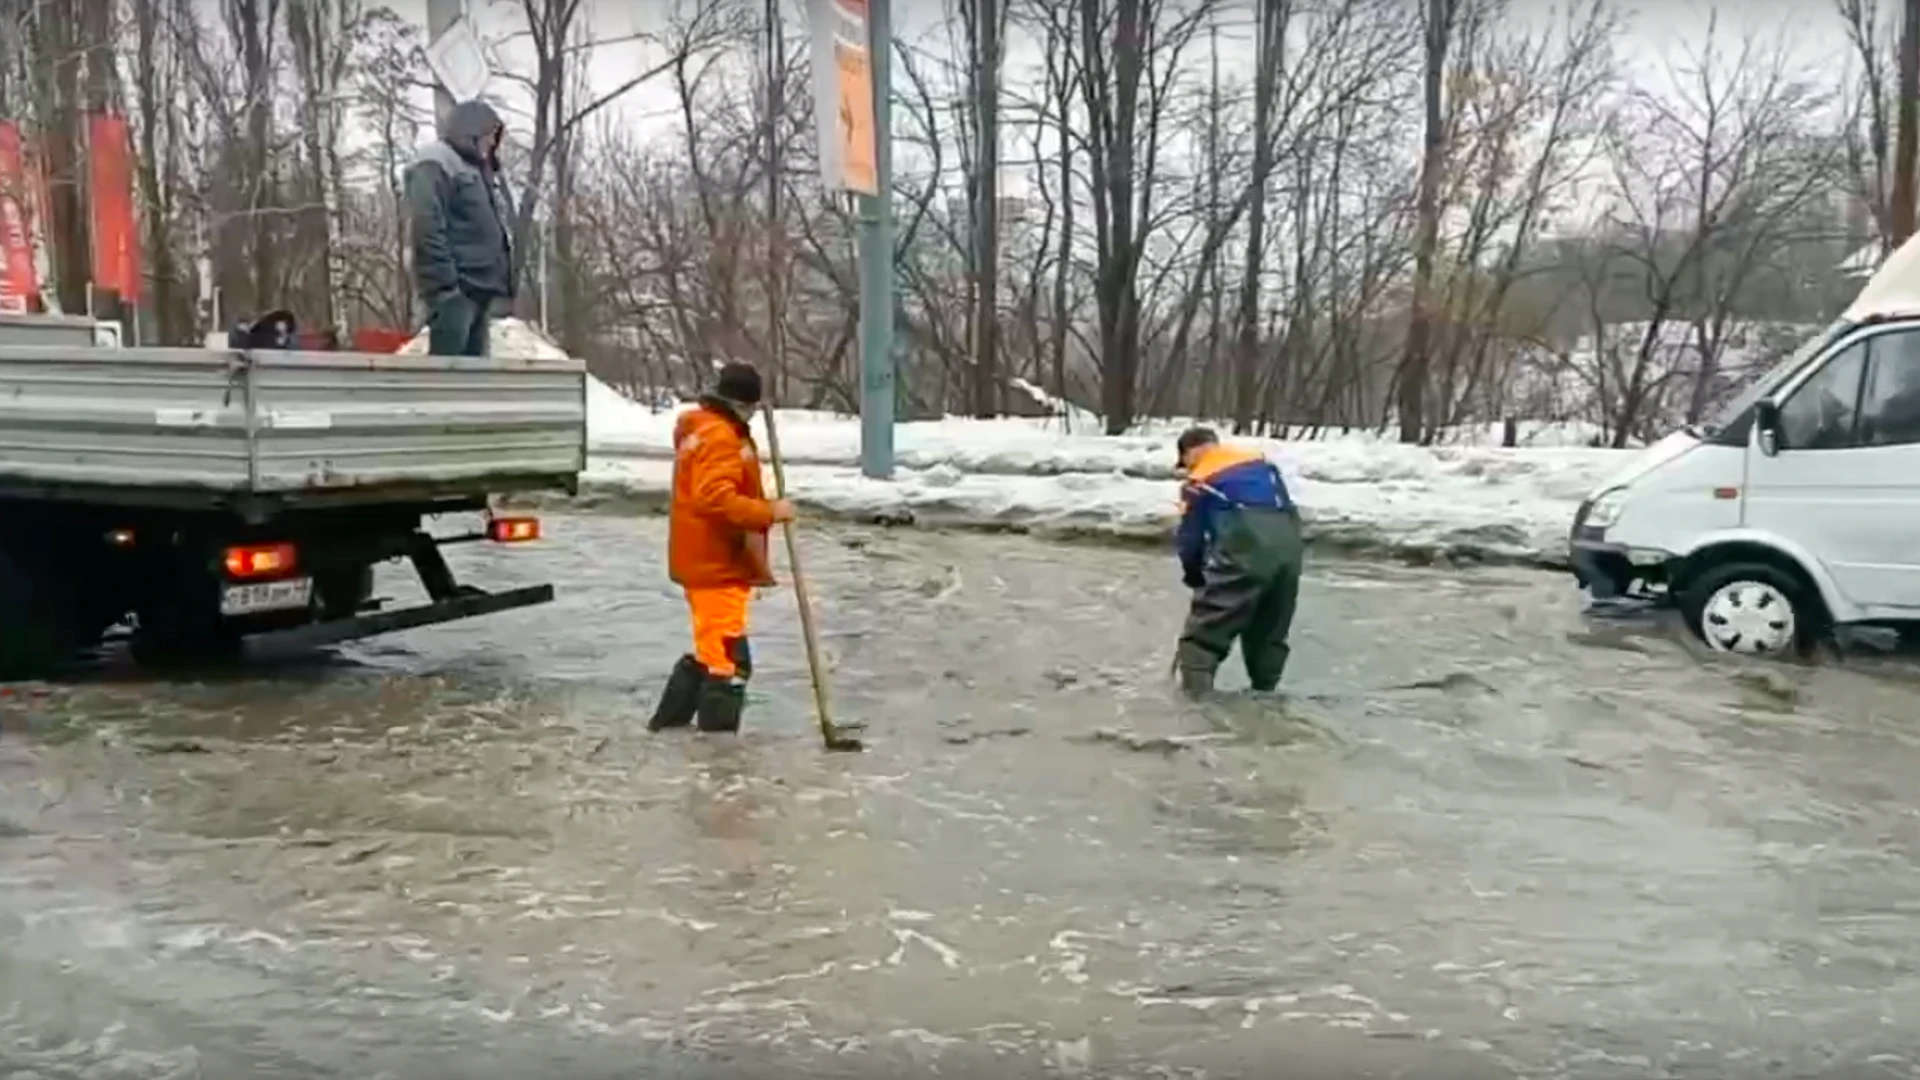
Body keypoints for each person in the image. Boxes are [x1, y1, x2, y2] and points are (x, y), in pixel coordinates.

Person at [649, 362, 797, 734]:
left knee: (712, 650)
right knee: (727, 663)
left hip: (709, 559)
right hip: (716, 563)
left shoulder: (706, 428)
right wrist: (770, 511)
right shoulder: (720, 437)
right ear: (744, 404)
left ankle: (669, 729)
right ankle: (718, 757)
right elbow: (716, 500)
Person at [1171, 426, 1305, 697]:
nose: (1186, 468)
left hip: (1247, 550)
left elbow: (1190, 539)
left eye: (1184, 462)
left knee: (1204, 635)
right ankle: (1266, 700)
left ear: (1190, 452)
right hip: (1289, 550)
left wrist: (1195, 575)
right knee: (1268, 630)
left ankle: (1195, 708)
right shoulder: (1262, 465)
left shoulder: (1200, 481)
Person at [405, 99, 515, 358]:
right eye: (488, 136)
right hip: (455, 292)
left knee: (471, 385)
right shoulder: (435, 161)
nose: (491, 144)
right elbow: (426, 225)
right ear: (471, 131)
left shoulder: (479, 171)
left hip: (479, 292)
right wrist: (445, 288)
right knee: (447, 382)